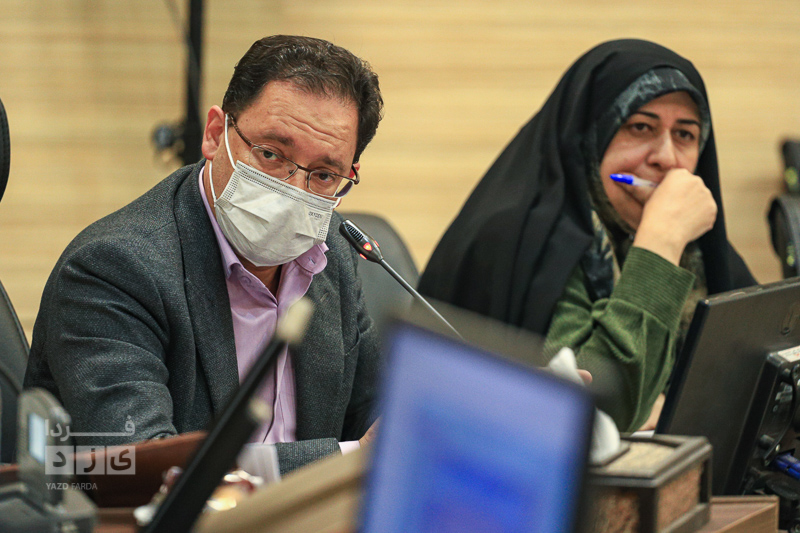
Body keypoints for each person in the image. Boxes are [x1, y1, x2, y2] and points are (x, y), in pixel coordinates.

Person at [24, 35, 384, 474]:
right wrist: (349, 458)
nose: (293, 191)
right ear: (215, 134)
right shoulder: (111, 270)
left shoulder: (331, 254)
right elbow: (145, 467)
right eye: (271, 154)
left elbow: (374, 416)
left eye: (324, 175)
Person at [418, 39, 755, 432]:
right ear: (589, 136)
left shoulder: (693, 246)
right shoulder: (526, 243)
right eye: (640, 127)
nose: (666, 157)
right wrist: (660, 246)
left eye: (685, 135)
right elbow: (598, 415)